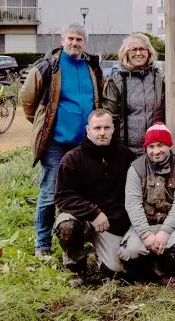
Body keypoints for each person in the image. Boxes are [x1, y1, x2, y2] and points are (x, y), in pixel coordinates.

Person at [20, 22, 103, 258]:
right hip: (56, 143)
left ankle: (79, 238)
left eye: (79, 39)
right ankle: (42, 244)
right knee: (49, 193)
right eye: (71, 39)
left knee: (83, 193)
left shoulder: (92, 68)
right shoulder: (49, 67)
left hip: (84, 144)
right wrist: (42, 122)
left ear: (84, 43)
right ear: (62, 40)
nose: (75, 43)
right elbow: (27, 99)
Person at [53, 109, 136, 287]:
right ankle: (77, 269)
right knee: (67, 226)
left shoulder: (126, 157)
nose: (102, 132)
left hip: (112, 224)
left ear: (113, 129)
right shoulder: (72, 159)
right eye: (97, 128)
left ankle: (104, 256)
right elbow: (62, 196)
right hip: (82, 218)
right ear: (88, 130)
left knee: (116, 272)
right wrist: (93, 213)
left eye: (107, 127)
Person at [119, 123, 175, 285]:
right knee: (131, 251)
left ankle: (170, 272)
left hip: (172, 226)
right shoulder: (136, 169)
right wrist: (146, 235)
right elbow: (133, 204)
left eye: (161, 145)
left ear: (169, 146)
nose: (156, 151)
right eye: (151, 146)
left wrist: (165, 232)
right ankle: (147, 272)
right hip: (145, 225)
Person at [102, 33, 165, 153]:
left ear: (149, 52)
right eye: (133, 50)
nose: (138, 53)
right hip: (126, 150)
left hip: (155, 149)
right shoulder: (116, 80)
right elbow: (110, 117)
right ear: (126, 53)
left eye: (142, 49)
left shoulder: (158, 78)